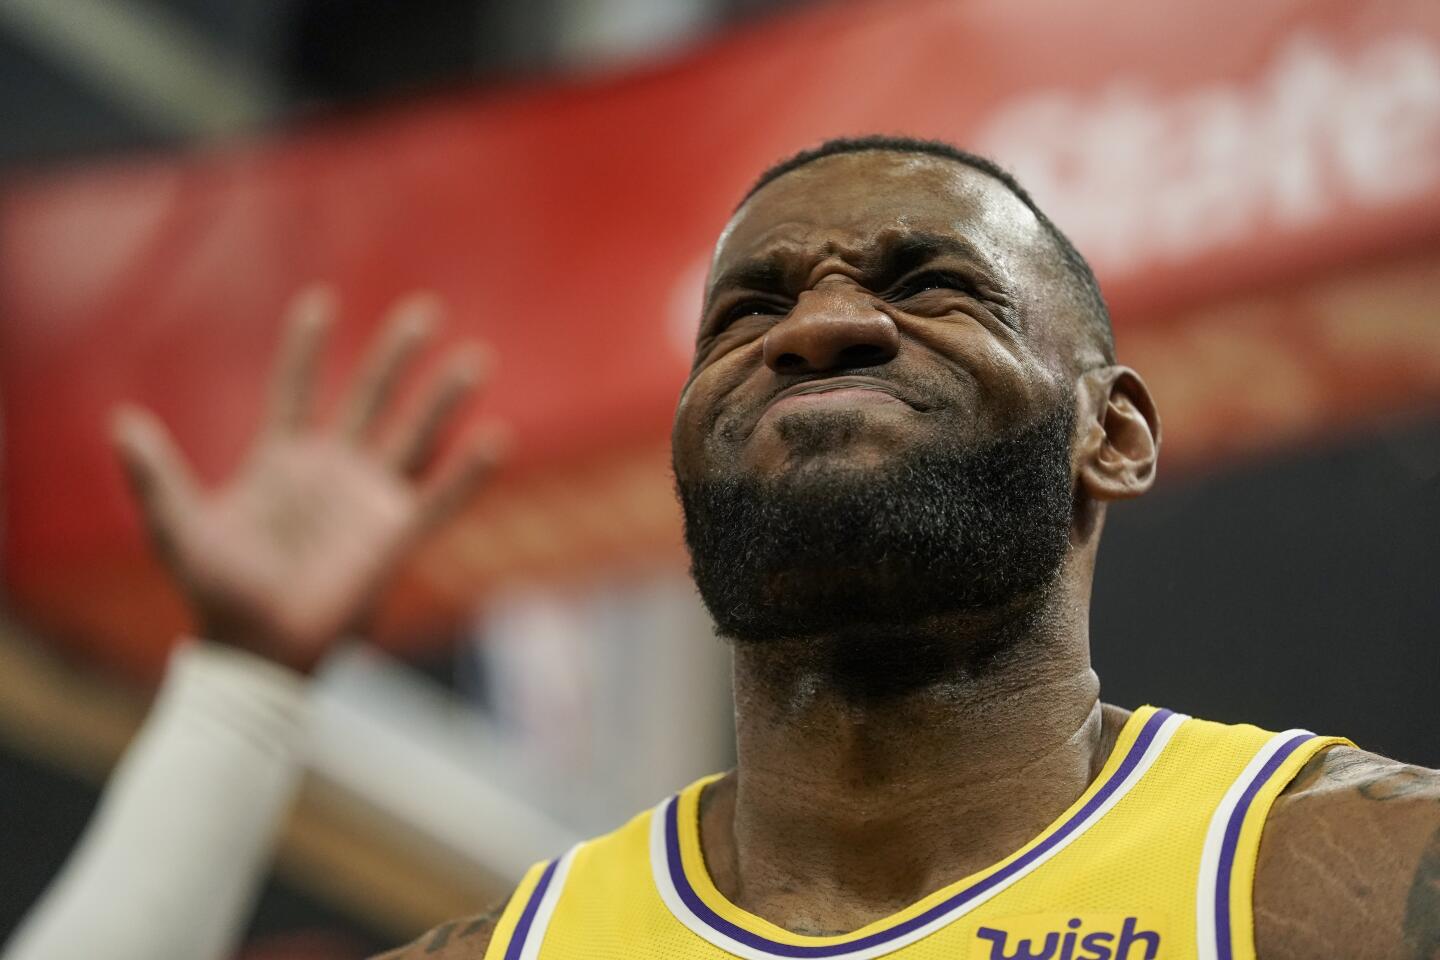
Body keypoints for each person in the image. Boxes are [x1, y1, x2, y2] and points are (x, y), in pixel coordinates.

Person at [78, 136, 1440, 959]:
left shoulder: (1356, 885)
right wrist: (243, 685)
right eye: (746, 313)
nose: (817, 327)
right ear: (686, 461)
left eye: (933, 285)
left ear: (1118, 436)